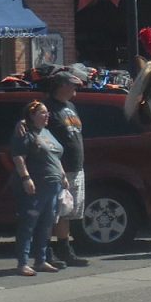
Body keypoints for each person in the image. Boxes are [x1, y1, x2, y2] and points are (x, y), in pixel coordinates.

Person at [11, 100, 68, 276]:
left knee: (46, 225)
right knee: (29, 224)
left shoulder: (48, 132)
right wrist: (26, 178)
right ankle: (22, 263)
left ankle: (41, 260)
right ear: (32, 115)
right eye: (42, 113)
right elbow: (18, 157)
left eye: (47, 112)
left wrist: (63, 175)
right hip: (36, 186)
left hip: (54, 185)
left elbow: (55, 156)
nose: (47, 115)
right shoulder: (25, 133)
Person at [44, 69, 89, 268]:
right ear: (61, 86)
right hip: (57, 170)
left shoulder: (70, 106)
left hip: (76, 168)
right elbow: (40, 138)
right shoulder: (47, 108)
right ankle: (45, 251)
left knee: (67, 212)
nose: (75, 88)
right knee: (51, 212)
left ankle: (65, 250)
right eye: (72, 85)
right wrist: (57, 168)